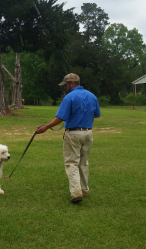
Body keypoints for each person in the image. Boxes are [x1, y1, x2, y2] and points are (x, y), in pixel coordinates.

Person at [36, 73, 101, 203]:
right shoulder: (92, 96)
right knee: (83, 162)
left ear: (71, 83)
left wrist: (46, 127)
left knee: (72, 163)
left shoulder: (69, 97)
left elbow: (60, 118)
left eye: (65, 84)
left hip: (73, 134)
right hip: (88, 133)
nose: (65, 87)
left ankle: (76, 193)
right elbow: (97, 115)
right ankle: (84, 190)